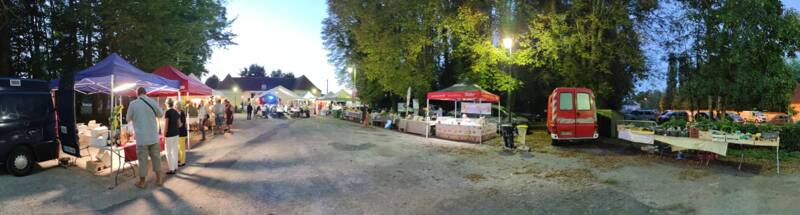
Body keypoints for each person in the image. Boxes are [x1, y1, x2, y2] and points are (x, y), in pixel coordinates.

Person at [126, 87, 164, 189]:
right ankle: (159, 179)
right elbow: (160, 114)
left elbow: (127, 118)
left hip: (141, 138)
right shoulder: (152, 102)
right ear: (146, 93)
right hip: (153, 136)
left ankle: (142, 182)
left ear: (137, 94)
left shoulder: (133, 104)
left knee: (142, 160)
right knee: (156, 158)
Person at [163, 98, 181, 175]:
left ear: (167, 104)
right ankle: (175, 166)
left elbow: (166, 125)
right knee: (175, 151)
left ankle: (171, 169)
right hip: (176, 134)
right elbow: (179, 124)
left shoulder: (167, 112)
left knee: (168, 152)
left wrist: (164, 135)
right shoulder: (176, 111)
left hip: (169, 135)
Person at [177, 102, 188, 167]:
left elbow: (181, 124)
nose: (175, 107)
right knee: (180, 147)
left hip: (181, 132)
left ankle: (182, 161)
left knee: (181, 148)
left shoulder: (181, 113)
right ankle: (180, 159)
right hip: (181, 132)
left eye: (175, 106)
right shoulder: (181, 112)